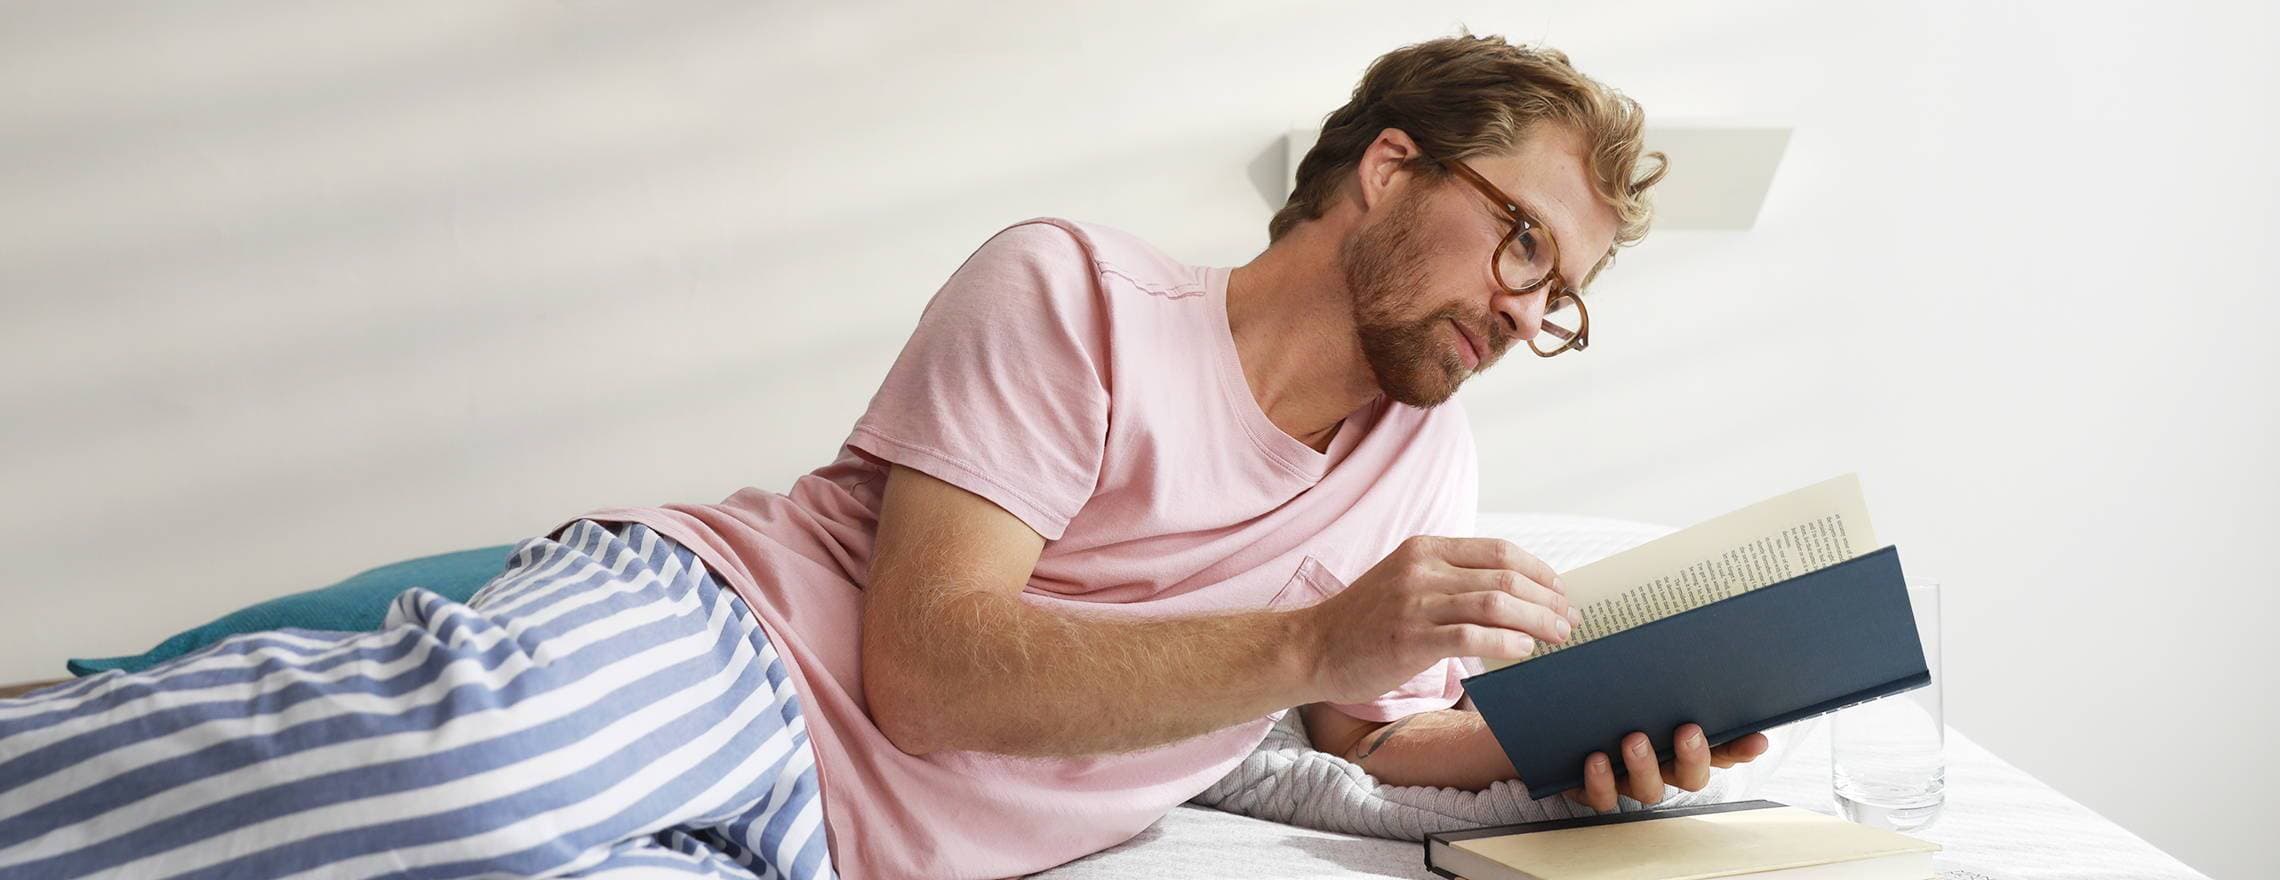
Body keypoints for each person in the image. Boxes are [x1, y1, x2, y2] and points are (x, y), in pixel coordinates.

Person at [0, 32, 1769, 880]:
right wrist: (1317, 636)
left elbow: (1375, 742)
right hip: (744, 651)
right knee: (472, 783)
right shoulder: (1072, 291)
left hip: (838, 859)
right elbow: (923, 671)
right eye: (1522, 243)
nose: (1525, 314)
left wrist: (1594, 748)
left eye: (1567, 301)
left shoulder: (1423, 469)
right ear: (1388, 171)